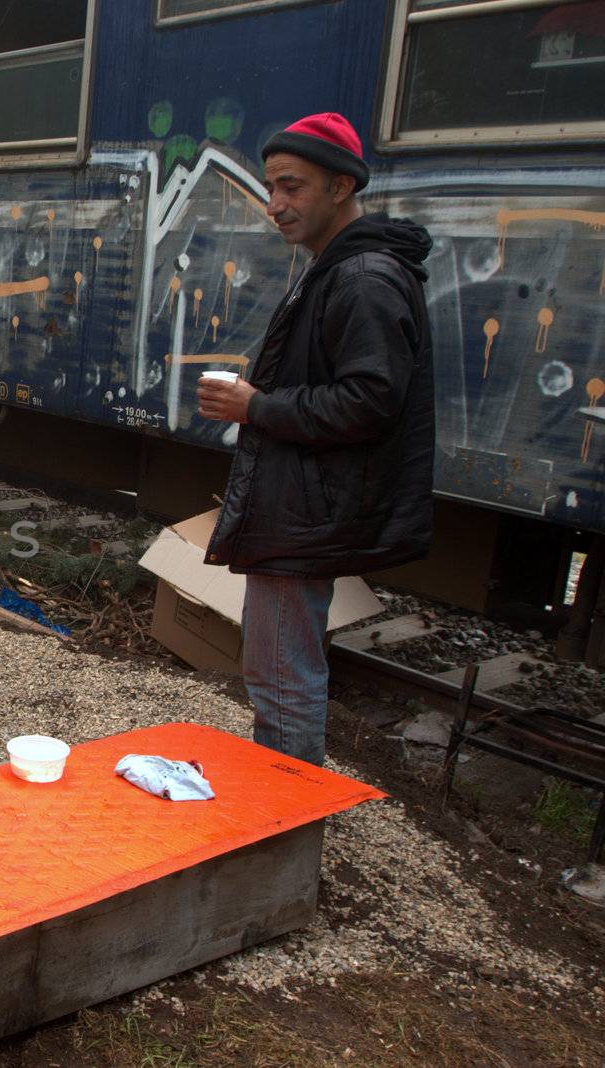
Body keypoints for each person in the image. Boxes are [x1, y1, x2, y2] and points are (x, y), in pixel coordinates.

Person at [198, 112, 434, 766]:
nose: (274, 204)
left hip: (303, 513)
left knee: (281, 680)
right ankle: (285, 821)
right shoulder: (344, 267)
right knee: (280, 674)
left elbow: (372, 400)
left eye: (292, 187)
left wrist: (258, 406)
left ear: (340, 185)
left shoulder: (362, 277)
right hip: (304, 504)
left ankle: (285, 835)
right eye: (271, 186)